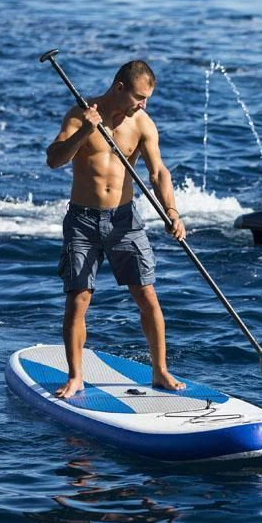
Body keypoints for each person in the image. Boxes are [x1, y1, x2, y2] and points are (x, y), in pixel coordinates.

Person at [46, 60, 187, 399]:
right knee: (78, 300)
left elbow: (159, 174)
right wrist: (84, 132)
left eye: (148, 98)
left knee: (147, 296)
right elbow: (53, 159)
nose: (144, 104)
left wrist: (171, 210)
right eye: (139, 97)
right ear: (119, 87)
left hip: (125, 220)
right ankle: (76, 376)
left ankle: (160, 371)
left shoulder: (142, 124)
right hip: (82, 220)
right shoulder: (79, 115)